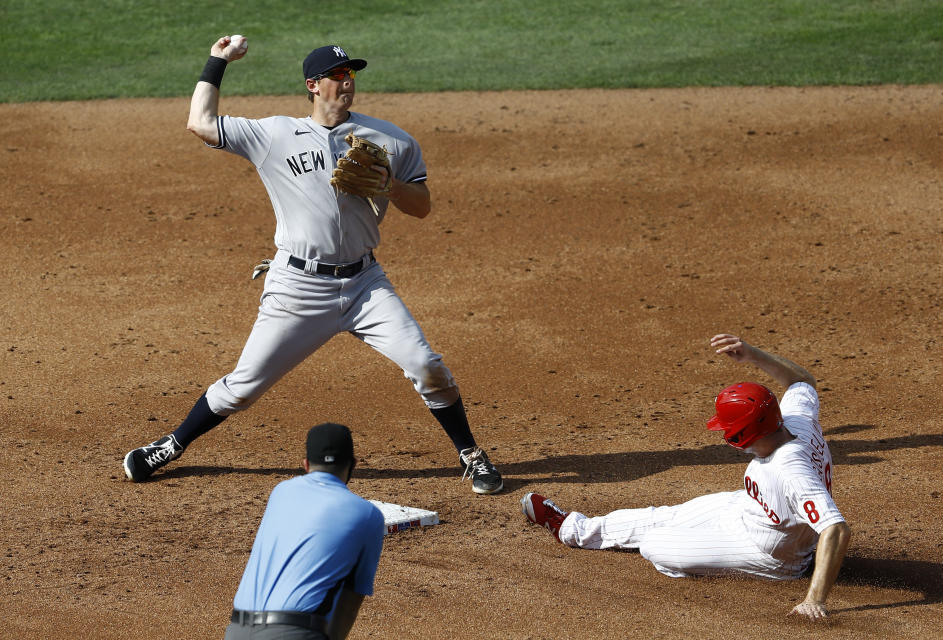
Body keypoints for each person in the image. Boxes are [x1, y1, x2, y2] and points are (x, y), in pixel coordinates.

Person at [122, 35, 503, 494]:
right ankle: (171, 444)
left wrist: (389, 186)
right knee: (243, 387)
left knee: (426, 364)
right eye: (337, 76)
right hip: (297, 288)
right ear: (313, 85)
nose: (347, 84)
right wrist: (217, 61)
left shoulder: (390, 140)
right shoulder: (274, 135)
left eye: (351, 75)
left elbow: (421, 206)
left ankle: (471, 454)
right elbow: (199, 123)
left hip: (365, 284)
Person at [521, 333, 852, 621]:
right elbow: (802, 382)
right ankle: (569, 528)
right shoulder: (794, 420)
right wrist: (753, 354)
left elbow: (835, 528)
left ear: (743, 434)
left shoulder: (789, 470)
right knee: (660, 517)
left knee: (654, 545)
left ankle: (731, 563)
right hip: (749, 510)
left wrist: (814, 600)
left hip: (770, 553)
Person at [225, 422, 384, 640]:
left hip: (237, 631)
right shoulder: (367, 514)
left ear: (306, 464)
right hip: (294, 633)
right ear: (354, 464)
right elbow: (350, 598)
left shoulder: (280, 492)